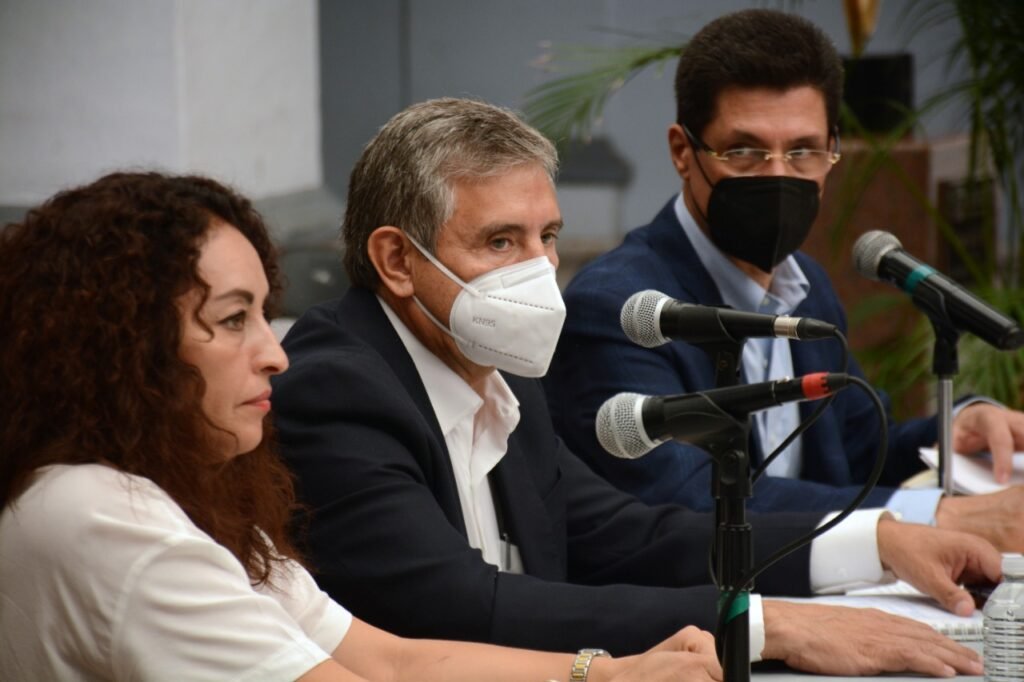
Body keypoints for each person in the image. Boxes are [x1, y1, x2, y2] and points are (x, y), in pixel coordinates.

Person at [273, 96, 996, 677]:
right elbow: (459, 608)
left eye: (547, 237)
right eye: (500, 242)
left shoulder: (497, 371)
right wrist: (761, 626)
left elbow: (627, 537)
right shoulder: (338, 389)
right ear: (397, 260)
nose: (538, 271)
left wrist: (878, 542)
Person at [0, 171, 724, 682]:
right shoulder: (103, 515)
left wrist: (606, 674)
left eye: (263, 314)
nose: (274, 354)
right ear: (123, 345)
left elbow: (390, 660)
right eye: (233, 319)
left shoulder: (190, 497)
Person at [543, 8, 1024, 551]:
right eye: (744, 152)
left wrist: (959, 427)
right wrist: (936, 516)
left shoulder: (805, 286)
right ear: (683, 152)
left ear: (831, 150)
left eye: (802, 152)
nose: (778, 176)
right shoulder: (623, 310)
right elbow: (691, 503)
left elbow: (858, 452)